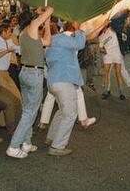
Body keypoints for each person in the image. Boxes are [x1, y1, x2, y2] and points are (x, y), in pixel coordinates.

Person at [6, 7, 54, 159]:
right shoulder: (33, 27)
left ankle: (26, 143)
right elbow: (51, 9)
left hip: (26, 72)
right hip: (34, 74)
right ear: (32, 18)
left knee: (27, 110)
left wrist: (47, 23)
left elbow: (47, 41)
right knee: (30, 112)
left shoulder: (24, 33)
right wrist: (42, 12)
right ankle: (13, 146)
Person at [44, 21, 86, 156]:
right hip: (64, 80)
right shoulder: (64, 40)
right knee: (70, 114)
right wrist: (79, 29)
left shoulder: (54, 40)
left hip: (54, 81)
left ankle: (51, 137)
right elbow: (80, 43)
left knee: (62, 111)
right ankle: (57, 146)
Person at [99, 21, 128, 99]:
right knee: (106, 74)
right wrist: (106, 51)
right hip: (108, 56)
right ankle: (106, 91)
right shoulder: (101, 36)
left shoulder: (114, 30)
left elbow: (124, 37)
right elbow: (100, 48)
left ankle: (121, 92)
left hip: (117, 54)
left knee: (118, 73)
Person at [0, 25, 22, 101]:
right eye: (9, 32)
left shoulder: (8, 41)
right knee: (7, 95)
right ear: (3, 32)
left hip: (5, 71)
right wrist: (7, 51)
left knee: (14, 93)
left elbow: (17, 49)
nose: (10, 34)